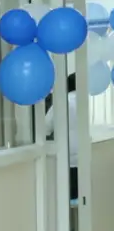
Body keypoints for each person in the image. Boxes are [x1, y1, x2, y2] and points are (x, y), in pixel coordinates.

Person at [45, 72, 77, 201]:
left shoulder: (62, 102)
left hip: (65, 156)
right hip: (82, 156)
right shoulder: (85, 102)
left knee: (66, 195)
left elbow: (46, 127)